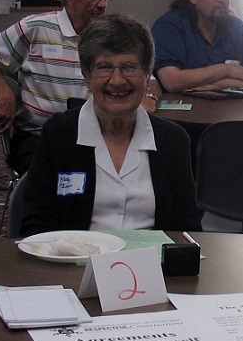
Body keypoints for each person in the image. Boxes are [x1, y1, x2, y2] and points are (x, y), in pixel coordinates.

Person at [17, 14, 201, 237]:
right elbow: (36, 224)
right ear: (87, 76)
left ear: (146, 75)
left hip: (153, 267)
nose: (117, 81)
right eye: (104, 67)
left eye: (129, 67)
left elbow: (187, 229)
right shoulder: (59, 134)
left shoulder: (173, 140)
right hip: (74, 265)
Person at [0, 0, 118, 175]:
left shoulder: (108, 36)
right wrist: (4, 93)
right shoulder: (37, 27)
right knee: (56, 188)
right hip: (39, 138)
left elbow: (142, 74)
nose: (102, 5)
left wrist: (148, 94)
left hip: (96, 137)